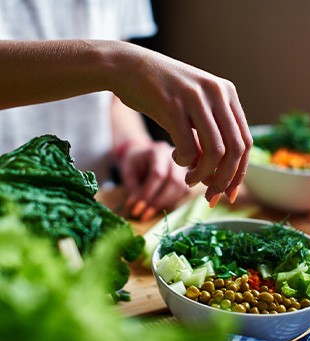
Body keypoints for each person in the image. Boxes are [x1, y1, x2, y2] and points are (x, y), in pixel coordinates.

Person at [0, 2, 253, 216]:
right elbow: (114, 74)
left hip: (90, 206)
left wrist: (134, 145)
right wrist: (114, 64)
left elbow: (110, 98)